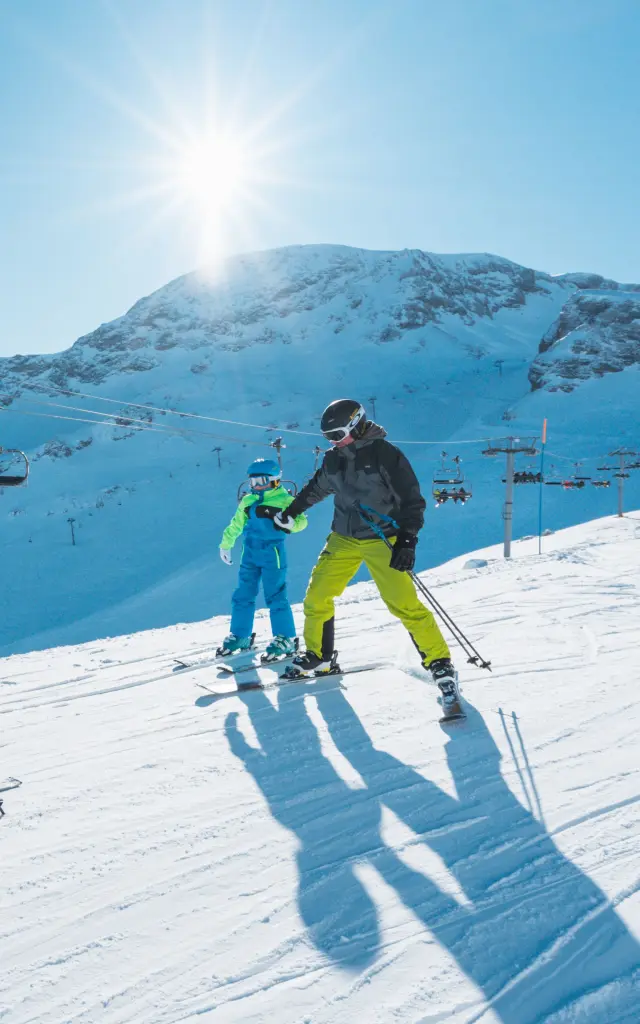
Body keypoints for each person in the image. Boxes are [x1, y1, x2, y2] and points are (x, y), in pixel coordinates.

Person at [272, 399, 460, 711]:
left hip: (383, 539)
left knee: (404, 605)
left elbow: (413, 500)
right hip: (344, 538)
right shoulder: (334, 459)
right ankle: (319, 658)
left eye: (337, 434)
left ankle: (440, 664)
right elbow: (316, 488)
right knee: (316, 598)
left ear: (357, 426)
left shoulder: (385, 454)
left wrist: (407, 541)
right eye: (328, 437)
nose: (332, 442)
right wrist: (292, 511)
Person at [218, 458, 307, 660]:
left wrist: (290, 523)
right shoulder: (249, 501)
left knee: (275, 594)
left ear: (275, 481)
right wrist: (226, 543)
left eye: (262, 481)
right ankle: (241, 635)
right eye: (253, 482)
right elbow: (236, 524)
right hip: (249, 553)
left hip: (272, 553)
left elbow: (302, 523)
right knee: (243, 594)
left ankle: (286, 637)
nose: (257, 486)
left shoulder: (285, 501)